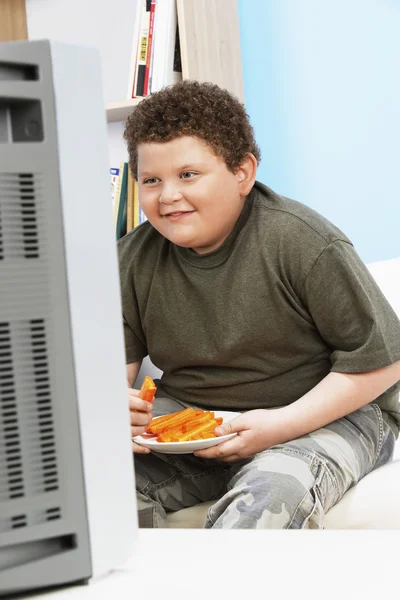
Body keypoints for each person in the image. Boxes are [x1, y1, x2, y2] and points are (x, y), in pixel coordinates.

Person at [118, 79, 400, 529]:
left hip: (321, 417)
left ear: (243, 173)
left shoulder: (301, 241)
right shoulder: (132, 258)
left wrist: (281, 425)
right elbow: (115, 369)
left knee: (271, 493)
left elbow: (382, 362)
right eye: (152, 180)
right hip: (193, 423)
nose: (168, 195)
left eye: (188, 175)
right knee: (96, 481)